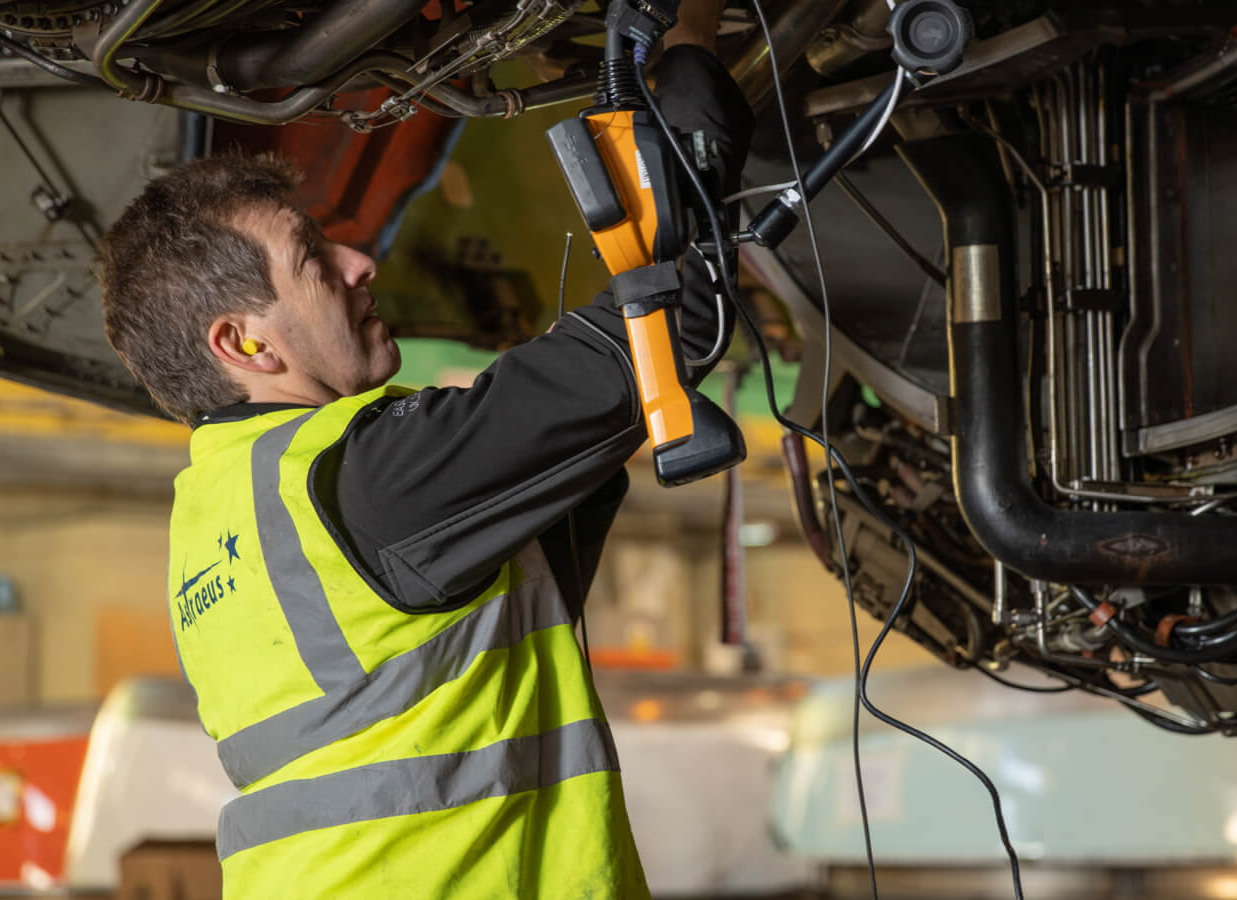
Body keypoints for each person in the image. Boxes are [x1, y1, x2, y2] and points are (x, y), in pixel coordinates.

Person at [96, 1, 748, 894]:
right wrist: (692, 47)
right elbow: (672, 320)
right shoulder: (364, 484)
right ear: (246, 345)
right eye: (314, 261)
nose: (361, 262)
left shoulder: (226, 515)